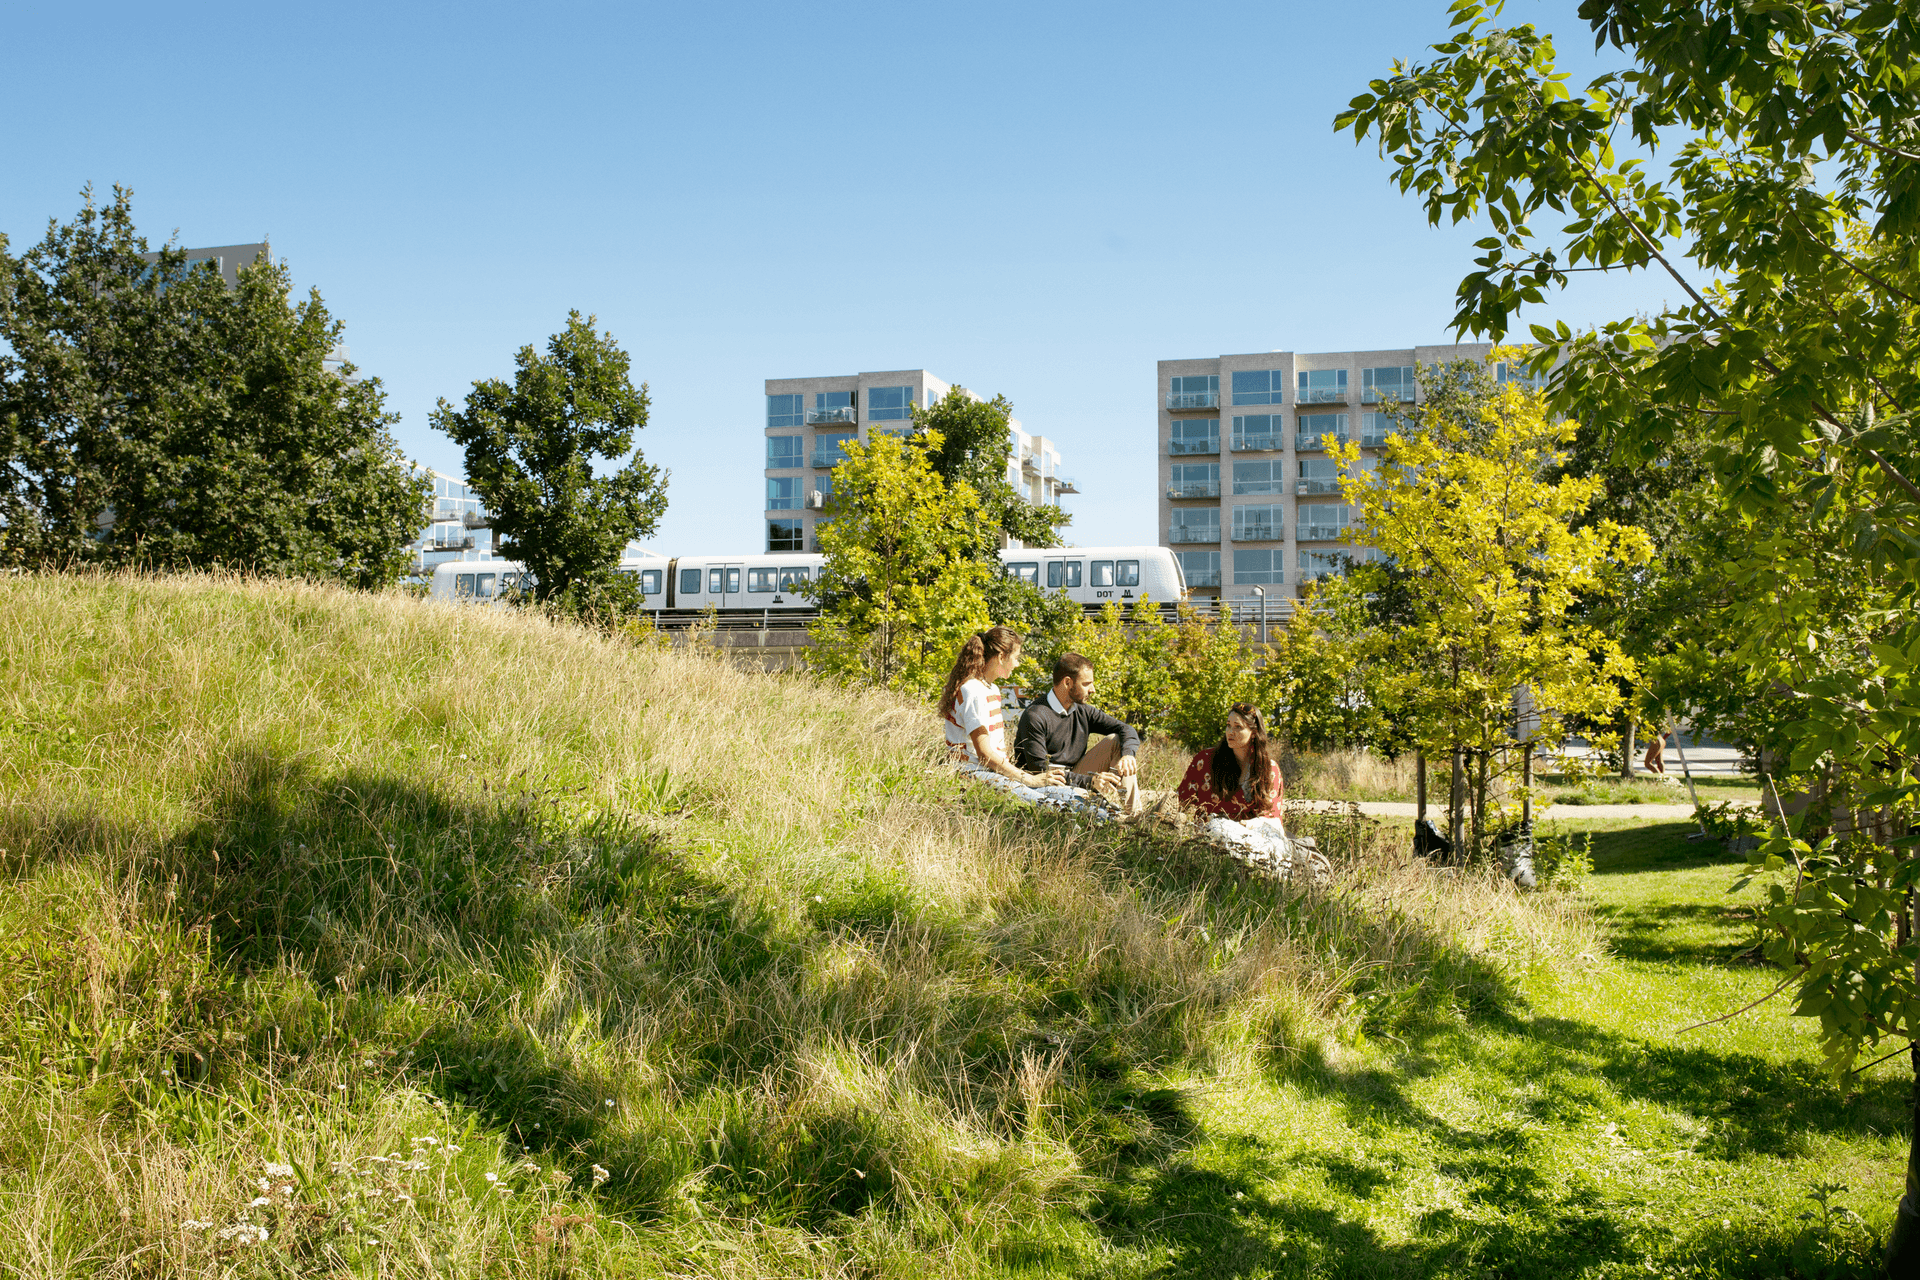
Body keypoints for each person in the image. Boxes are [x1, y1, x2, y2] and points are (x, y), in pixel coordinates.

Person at [1013, 652, 1144, 815]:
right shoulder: (1035, 715)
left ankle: (1135, 815)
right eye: (1086, 684)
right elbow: (1040, 771)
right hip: (1045, 784)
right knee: (1091, 805)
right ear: (1068, 682)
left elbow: (1126, 729)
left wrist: (1128, 755)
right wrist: (1091, 782)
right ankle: (1115, 816)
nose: (1093, 690)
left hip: (1076, 775)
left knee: (1116, 740)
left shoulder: (1083, 711)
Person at [939, 627, 1066, 788]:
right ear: (1001, 657)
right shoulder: (972, 690)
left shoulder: (991, 689)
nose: (1017, 664)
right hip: (972, 773)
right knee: (1053, 803)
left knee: (1067, 794)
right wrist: (1029, 779)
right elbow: (985, 755)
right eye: (1016, 657)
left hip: (993, 773)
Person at [1177, 702, 1285, 821]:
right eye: (1228, 725)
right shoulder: (1205, 760)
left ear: (1253, 733)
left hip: (1253, 836)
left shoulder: (1268, 769)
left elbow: (1271, 817)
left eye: (1238, 727)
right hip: (1209, 836)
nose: (1230, 731)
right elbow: (1180, 801)